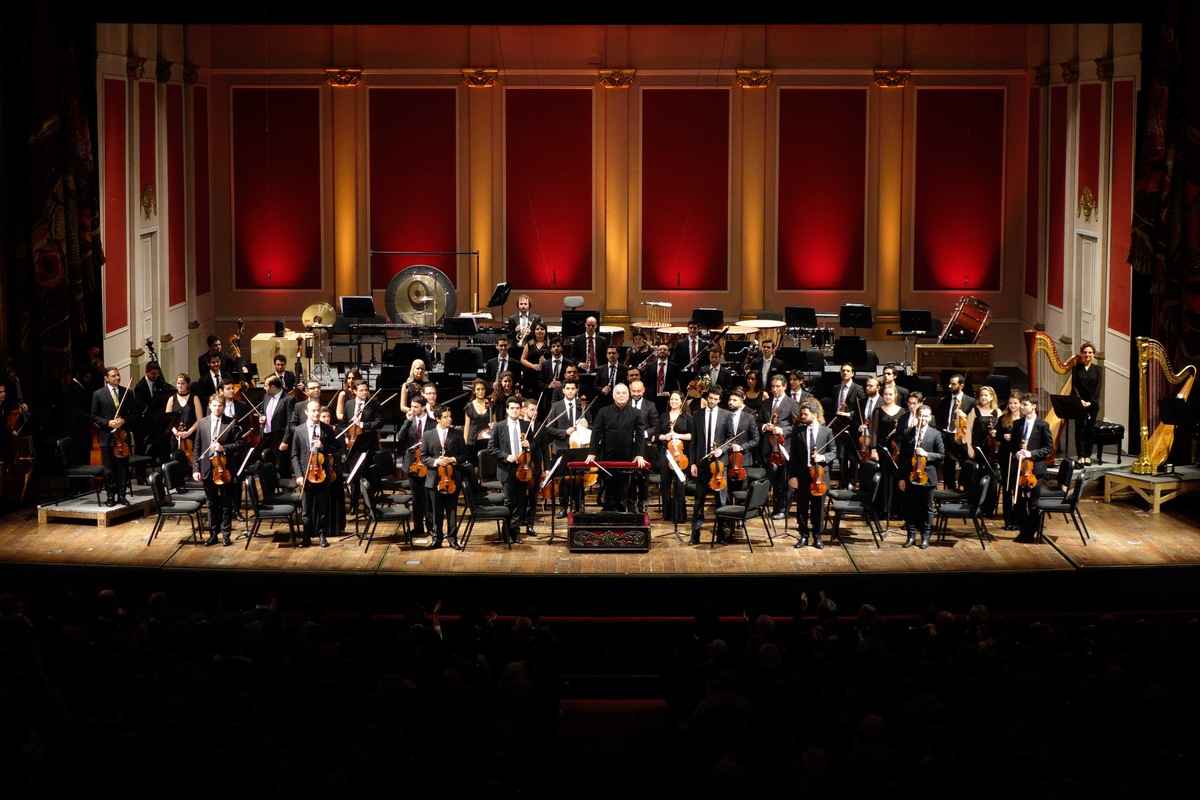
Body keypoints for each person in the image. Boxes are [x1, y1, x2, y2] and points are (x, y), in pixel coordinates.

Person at [585, 383, 648, 512]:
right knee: (609, 483)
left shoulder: (636, 413)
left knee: (625, 484)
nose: (621, 395)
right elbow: (596, 433)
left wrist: (639, 454)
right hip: (608, 454)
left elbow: (640, 435)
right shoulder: (604, 411)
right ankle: (609, 509)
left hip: (627, 454)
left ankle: (623, 508)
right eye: (618, 393)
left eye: (623, 393)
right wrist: (592, 453)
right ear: (613, 396)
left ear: (628, 395)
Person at [193, 394, 244, 546]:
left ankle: (226, 534)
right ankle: (213, 534)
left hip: (225, 468)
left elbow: (240, 443)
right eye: (215, 405)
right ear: (210, 405)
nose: (217, 408)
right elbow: (197, 448)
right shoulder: (202, 423)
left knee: (226, 502)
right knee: (211, 502)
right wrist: (196, 468)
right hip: (208, 468)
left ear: (224, 407)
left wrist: (223, 448)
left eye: (220, 406)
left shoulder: (231, 423)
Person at [1004, 393, 1053, 543]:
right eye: (1022, 404)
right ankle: (1024, 530)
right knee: (1019, 502)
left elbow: (1049, 447)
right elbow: (1012, 446)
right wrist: (1016, 453)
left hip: (1035, 470)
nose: (1022, 407)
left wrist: (1030, 453)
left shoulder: (1042, 425)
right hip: (1019, 470)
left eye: (1025, 404)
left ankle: (1030, 533)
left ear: (1034, 406)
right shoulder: (1018, 424)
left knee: (1033, 503)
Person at [291, 398, 340, 547]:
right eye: (313, 410)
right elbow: (294, 455)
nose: (316, 413)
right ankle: (306, 537)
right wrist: (299, 475)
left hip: (323, 475)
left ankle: (322, 535)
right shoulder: (299, 430)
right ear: (306, 412)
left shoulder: (327, 429)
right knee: (306, 510)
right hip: (306, 475)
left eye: (318, 410)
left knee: (322, 507)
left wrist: (323, 446)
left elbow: (336, 448)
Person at [90, 366, 142, 506]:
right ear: (106, 378)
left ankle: (122, 495)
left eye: (118, 375)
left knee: (123, 469)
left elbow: (135, 414)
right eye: (113, 376)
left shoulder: (128, 392)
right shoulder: (98, 394)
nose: (117, 378)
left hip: (122, 437)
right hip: (107, 436)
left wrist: (123, 420)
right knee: (109, 470)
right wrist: (108, 423)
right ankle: (110, 496)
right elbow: (94, 416)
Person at [897, 403, 945, 549]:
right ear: (917, 416)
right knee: (910, 507)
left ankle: (925, 537)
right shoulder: (908, 432)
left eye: (926, 416)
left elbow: (941, 455)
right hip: (911, 476)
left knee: (927, 508)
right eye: (921, 415)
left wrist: (926, 454)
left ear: (929, 418)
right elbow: (902, 457)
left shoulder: (935, 434)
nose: (923, 418)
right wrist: (901, 478)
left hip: (928, 476)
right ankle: (911, 536)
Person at [787, 399, 833, 549]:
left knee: (818, 507)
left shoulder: (827, 431)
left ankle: (817, 536)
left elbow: (834, 452)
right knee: (801, 506)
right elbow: (792, 456)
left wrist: (823, 457)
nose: (802, 416)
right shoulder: (798, 431)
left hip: (820, 475)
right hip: (803, 474)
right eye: (802, 414)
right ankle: (803, 535)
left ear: (814, 414)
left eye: (805, 414)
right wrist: (792, 476)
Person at [421, 404, 468, 549]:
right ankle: (437, 538)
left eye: (450, 416)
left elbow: (464, 454)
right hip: (435, 478)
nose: (449, 419)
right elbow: (423, 456)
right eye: (446, 417)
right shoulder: (428, 435)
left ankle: (452, 538)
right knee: (436, 511)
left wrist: (452, 459)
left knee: (452, 510)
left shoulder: (457, 434)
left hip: (452, 478)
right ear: (437, 419)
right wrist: (436, 461)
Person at [487, 396, 531, 544]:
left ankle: (515, 531)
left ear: (520, 410)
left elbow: (535, 446)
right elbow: (491, 448)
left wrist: (529, 445)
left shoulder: (526, 425)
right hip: (507, 468)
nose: (514, 411)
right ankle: (506, 532)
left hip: (523, 468)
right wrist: (506, 456)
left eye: (517, 408)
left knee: (521, 501)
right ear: (507, 410)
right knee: (510, 501)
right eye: (512, 408)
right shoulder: (499, 426)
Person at [689, 386, 729, 544]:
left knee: (721, 501)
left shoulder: (726, 415)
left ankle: (721, 534)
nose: (712, 401)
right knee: (699, 500)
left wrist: (721, 450)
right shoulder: (697, 415)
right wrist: (693, 463)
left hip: (718, 465)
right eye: (710, 398)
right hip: (702, 463)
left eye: (715, 399)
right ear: (707, 397)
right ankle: (695, 534)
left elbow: (730, 438)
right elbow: (693, 442)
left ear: (719, 400)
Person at [547, 377, 590, 517]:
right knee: (562, 480)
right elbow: (549, 428)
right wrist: (564, 432)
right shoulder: (556, 406)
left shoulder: (583, 405)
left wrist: (587, 425)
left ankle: (579, 507)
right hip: (561, 447)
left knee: (579, 478)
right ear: (563, 390)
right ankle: (563, 507)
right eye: (568, 388)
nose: (570, 391)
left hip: (579, 446)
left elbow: (594, 427)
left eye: (573, 388)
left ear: (577, 390)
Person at [760, 374, 798, 519]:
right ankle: (774, 507)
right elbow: (758, 422)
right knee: (772, 479)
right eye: (773, 387)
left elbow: (797, 425)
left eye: (778, 386)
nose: (775, 389)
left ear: (784, 387)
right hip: (769, 447)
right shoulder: (766, 403)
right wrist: (765, 426)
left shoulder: (792, 403)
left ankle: (783, 509)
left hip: (784, 447)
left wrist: (782, 430)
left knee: (784, 480)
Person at [397, 394, 435, 541]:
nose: (412, 409)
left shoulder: (432, 423)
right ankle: (418, 526)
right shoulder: (409, 421)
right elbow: (400, 437)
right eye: (411, 406)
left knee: (428, 498)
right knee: (416, 498)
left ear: (423, 407)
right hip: (412, 464)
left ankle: (431, 527)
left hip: (427, 464)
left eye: (415, 407)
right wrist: (407, 421)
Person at [719, 388, 760, 516]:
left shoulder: (749, 418)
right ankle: (727, 516)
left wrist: (741, 447)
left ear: (741, 403)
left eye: (734, 400)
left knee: (742, 489)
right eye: (730, 400)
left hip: (743, 460)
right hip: (726, 458)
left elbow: (755, 440)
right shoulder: (723, 416)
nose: (731, 402)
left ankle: (741, 517)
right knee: (726, 489)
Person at [656, 391, 692, 523]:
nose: (674, 401)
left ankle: (679, 514)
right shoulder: (664, 416)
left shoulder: (687, 417)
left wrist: (677, 436)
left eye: (677, 399)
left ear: (682, 401)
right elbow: (657, 434)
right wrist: (665, 437)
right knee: (665, 482)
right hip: (665, 451)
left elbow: (692, 435)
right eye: (672, 399)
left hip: (680, 452)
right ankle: (667, 514)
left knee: (679, 483)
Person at [829, 363, 865, 489]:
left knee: (852, 456)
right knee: (841, 455)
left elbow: (862, 407)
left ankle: (852, 481)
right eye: (843, 370)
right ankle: (843, 483)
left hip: (851, 426)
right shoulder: (836, 388)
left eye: (848, 371)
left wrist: (848, 413)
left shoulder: (858, 389)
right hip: (838, 425)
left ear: (852, 373)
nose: (845, 373)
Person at [937, 373, 975, 491]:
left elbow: (974, 422)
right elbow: (939, 419)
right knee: (948, 467)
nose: (949, 386)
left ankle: (965, 492)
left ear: (961, 385)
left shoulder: (971, 401)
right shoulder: (944, 400)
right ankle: (950, 491)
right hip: (947, 435)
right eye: (949, 383)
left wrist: (965, 416)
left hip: (961, 437)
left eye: (953, 384)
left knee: (965, 465)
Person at [628, 379, 659, 514]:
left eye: (638, 391)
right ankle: (630, 503)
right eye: (633, 391)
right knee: (629, 476)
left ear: (643, 390)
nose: (636, 394)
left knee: (643, 475)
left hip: (644, 444)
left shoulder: (650, 406)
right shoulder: (625, 404)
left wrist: (643, 434)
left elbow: (656, 425)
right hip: (628, 444)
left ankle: (643, 501)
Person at [996, 392, 1023, 531]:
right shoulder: (1003, 418)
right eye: (1010, 403)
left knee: (1017, 487)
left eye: (1015, 403)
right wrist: (1003, 436)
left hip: (1018, 456)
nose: (1012, 406)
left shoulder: (1023, 419)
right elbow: (997, 436)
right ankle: (1008, 520)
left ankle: (1018, 519)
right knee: (1006, 488)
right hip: (1005, 455)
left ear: (1020, 404)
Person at [1072, 341, 1103, 465]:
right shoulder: (1076, 369)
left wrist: (1091, 402)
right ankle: (1080, 455)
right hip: (1079, 403)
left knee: (1090, 429)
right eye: (1085, 352)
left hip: (1092, 403)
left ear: (1094, 355)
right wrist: (1080, 400)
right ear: (1081, 354)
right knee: (1079, 428)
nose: (1087, 354)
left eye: (1090, 352)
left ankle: (1087, 455)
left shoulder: (1098, 369)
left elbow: (1098, 387)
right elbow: (1074, 386)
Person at [257, 375, 294, 474]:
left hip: (280, 439)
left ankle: (286, 489)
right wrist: (262, 417)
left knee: (283, 468)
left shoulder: (288, 400)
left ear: (273, 387)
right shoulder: (266, 396)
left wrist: (285, 441)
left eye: (265, 386)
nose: (264, 388)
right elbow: (262, 411)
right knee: (267, 467)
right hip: (266, 438)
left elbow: (290, 422)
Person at [167, 373, 205, 467]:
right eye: (178, 383)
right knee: (176, 461)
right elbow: (167, 420)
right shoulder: (172, 399)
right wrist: (175, 431)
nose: (180, 386)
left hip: (191, 435)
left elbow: (200, 419)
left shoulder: (194, 398)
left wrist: (188, 432)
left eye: (182, 383)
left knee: (191, 461)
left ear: (188, 384)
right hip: (176, 437)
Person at [463, 377, 494, 461]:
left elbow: (495, 422)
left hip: (487, 439)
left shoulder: (491, 404)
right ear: (474, 391)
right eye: (478, 389)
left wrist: (493, 425)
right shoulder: (469, 406)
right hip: (473, 440)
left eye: (482, 389)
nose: (480, 392)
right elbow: (467, 426)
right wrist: (465, 442)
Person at [519, 322, 552, 397]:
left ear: (546, 331)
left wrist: (546, 362)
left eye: (542, 329)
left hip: (546, 375)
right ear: (534, 331)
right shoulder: (529, 344)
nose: (539, 331)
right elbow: (522, 359)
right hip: (531, 375)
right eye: (537, 329)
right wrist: (533, 366)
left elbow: (555, 359)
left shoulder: (550, 344)